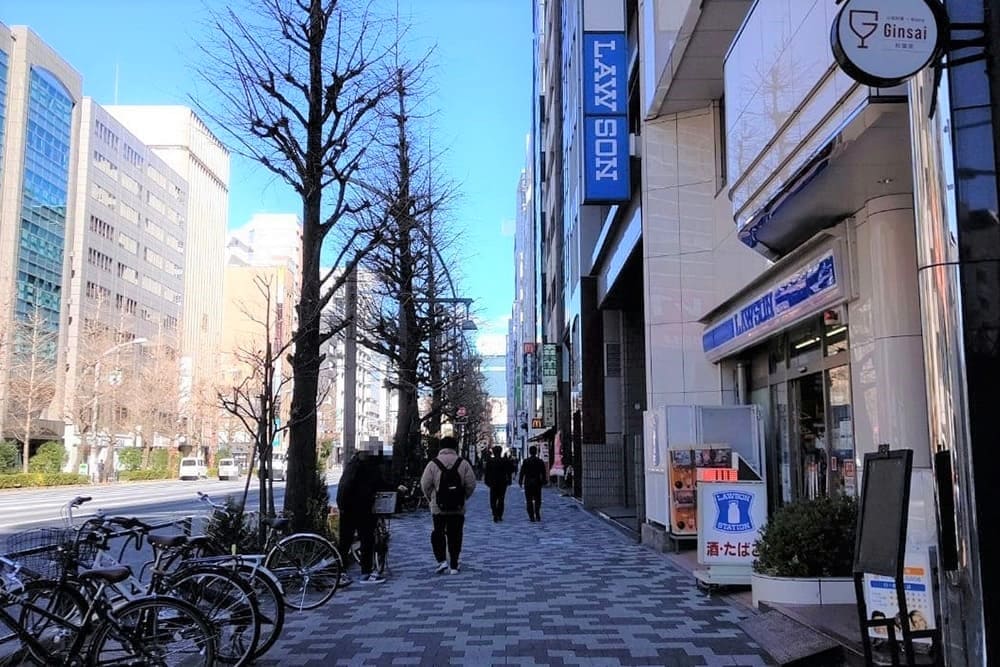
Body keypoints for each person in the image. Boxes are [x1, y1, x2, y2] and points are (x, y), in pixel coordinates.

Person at [420, 436, 476, 574]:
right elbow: (471, 484)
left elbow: (425, 484)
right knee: (456, 534)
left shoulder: (433, 463)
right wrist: (463, 497)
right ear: (455, 447)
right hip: (457, 507)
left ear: (441, 447)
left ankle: (442, 561)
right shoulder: (463, 463)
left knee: (438, 533)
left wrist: (431, 499)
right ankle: (454, 564)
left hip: (438, 507)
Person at [336, 447, 387, 584]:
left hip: (347, 507)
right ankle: (366, 573)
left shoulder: (352, 464)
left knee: (345, 541)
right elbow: (381, 485)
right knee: (367, 540)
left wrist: (341, 505)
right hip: (363, 508)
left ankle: (340, 573)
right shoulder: (371, 467)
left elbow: (344, 485)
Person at [519, 445, 548, 522]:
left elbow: (522, 472)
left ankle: (531, 516)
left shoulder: (526, 461)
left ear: (529, 452)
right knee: (538, 499)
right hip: (537, 482)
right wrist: (544, 480)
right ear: (536, 452)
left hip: (528, 482)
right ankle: (537, 513)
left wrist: (520, 481)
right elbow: (543, 473)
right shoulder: (540, 461)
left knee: (528, 500)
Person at [484, 446, 511, 522]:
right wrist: (509, 480)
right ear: (500, 451)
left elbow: (487, 472)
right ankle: (499, 515)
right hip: (502, 482)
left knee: (493, 499)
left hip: (493, 482)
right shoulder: (505, 460)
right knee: (501, 499)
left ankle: (495, 513)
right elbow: (508, 471)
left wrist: (486, 481)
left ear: (493, 452)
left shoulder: (490, 461)